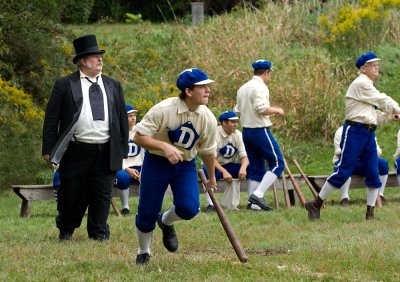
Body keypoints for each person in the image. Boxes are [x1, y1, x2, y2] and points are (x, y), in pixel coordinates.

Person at [42, 34, 128, 241]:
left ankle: (99, 232)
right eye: (95, 56)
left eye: (100, 56)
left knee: (102, 192)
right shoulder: (64, 84)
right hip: (76, 149)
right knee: (71, 191)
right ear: (82, 61)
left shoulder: (113, 84)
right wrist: (48, 148)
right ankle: (66, 230)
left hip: (106, 148)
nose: (100, 59)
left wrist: (122, 147)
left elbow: (121, 118)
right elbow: (52, 117)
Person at [133, 68, 217, 265]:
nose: (208, 90)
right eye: (203, 87)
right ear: (188, 91)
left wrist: (211, 177)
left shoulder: (208, 119)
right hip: (156, 162)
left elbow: (207, 152)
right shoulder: (163, 110)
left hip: (185, 164)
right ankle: (143, 251)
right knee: (147, 212)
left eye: (208, 86)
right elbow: (138, 137)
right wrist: (163, 146)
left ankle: (166, 221)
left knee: (189, 208)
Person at [305, 52, 400, 221]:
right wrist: (396, 108)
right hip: (354, 132)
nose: (377, 67)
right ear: (363, 69)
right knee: (343, 171)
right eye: (373, 65)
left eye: (377, 64)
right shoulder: (362, 83)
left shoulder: (367, 86)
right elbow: (381, 99)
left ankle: (370, 214)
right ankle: (315, 204)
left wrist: (390, 115)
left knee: (373, 170)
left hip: (368, 133)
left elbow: (371, 116)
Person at [234, 59, 285, 211]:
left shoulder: (243, 88)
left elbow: (237, 110)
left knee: (256, 166)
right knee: (277, 163)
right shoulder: (260, 87)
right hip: (259, 130)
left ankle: (253, 204)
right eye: (270, 74)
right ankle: (258, 194)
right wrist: (277, 110)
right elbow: (261, 108)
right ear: (266, 72)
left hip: (246, 131)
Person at [202, 111, 249, 212]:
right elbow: (210, 158)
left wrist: (243, 168)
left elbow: (244, 156)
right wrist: (224, 171)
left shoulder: (238, 135)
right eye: (232, 122)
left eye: (236, 122)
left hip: (230, 166)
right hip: (215, 167)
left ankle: (251, 201)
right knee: (206, 169)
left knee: (251, 168)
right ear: (224, 123)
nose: (236, 125)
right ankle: (211, 204)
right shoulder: (214, 134)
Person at [333, 125, 389, 205]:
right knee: (344, 167)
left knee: (383, 164)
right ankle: (344, 198)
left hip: (365, 161)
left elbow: (378, 150)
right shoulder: (341, 131)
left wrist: (368, 152)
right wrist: (353, 151)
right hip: (347, 160)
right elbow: (338, 151)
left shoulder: (368, 131)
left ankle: (380, 195)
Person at [115, 105, 144, 215]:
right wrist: (126, 169)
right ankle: (125, 207)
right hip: (122, 167)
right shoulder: (117, 133)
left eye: (134, 115)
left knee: (148, 177)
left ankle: (145, 206)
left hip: (139, 166)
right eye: (130, 116)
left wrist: (145, 169)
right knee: (122, 178)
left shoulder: (140, 131)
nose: (133, 118)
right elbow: (115, 155)